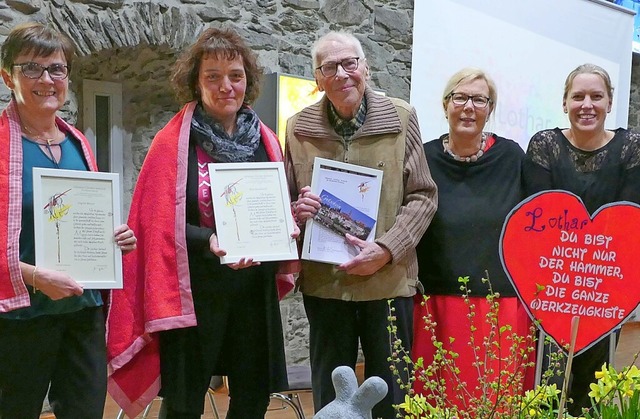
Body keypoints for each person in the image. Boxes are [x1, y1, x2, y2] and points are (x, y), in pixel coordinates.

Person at [106, 27, 298, 419]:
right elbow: (154, 224)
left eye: (235, 75)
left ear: (248, 80)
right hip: (194, 291)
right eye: (212, 76)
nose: (225, 85)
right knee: (184, 401)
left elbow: (272, 210)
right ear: (196, 82)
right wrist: (209, 239)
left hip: (251, 292)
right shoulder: (171, 142)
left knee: (252, 398)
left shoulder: (266, 140)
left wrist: (289, 221)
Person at [285, 30, 438, 419]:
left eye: (350, 63)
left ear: (365, 68)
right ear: (318, 79)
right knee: (330, 394)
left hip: (387, 282)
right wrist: (296, 210)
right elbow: (284, 201)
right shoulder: (298, 128)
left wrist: (386, 250)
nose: (342, 73)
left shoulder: (401, 117)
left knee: (391, 395)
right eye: (330, 67)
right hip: (326, 283)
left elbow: (423, 196)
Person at [0, 22, 137, 419]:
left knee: (84, 412)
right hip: (20, 317)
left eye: (56, 69)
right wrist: (34, 275)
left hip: (82, 312)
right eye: (32, 68)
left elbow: (82, 221)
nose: (47, 79)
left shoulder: (78, 143)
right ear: (7, 76)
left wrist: (115, 237)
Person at [412, 68, 535, 412]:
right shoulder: (422, 156)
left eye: (479, 99)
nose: (469, 107)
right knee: (435, 403)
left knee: (494, 404)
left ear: (490, 108)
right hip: (434, 302)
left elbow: (532, 223)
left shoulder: (512, 157)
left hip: (499, 306)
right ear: (445, 104)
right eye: (460, 97)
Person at [523, 63, 640, 416]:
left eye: (596, 96)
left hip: (604, 287)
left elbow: (628, 218)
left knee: (593, 383)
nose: (586, 104)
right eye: (578, 96)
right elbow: (538, 223)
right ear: (564, 103)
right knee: (548, 382)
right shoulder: (544, 145)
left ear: (609, 102)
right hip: (553, 284)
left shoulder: (631, 146)